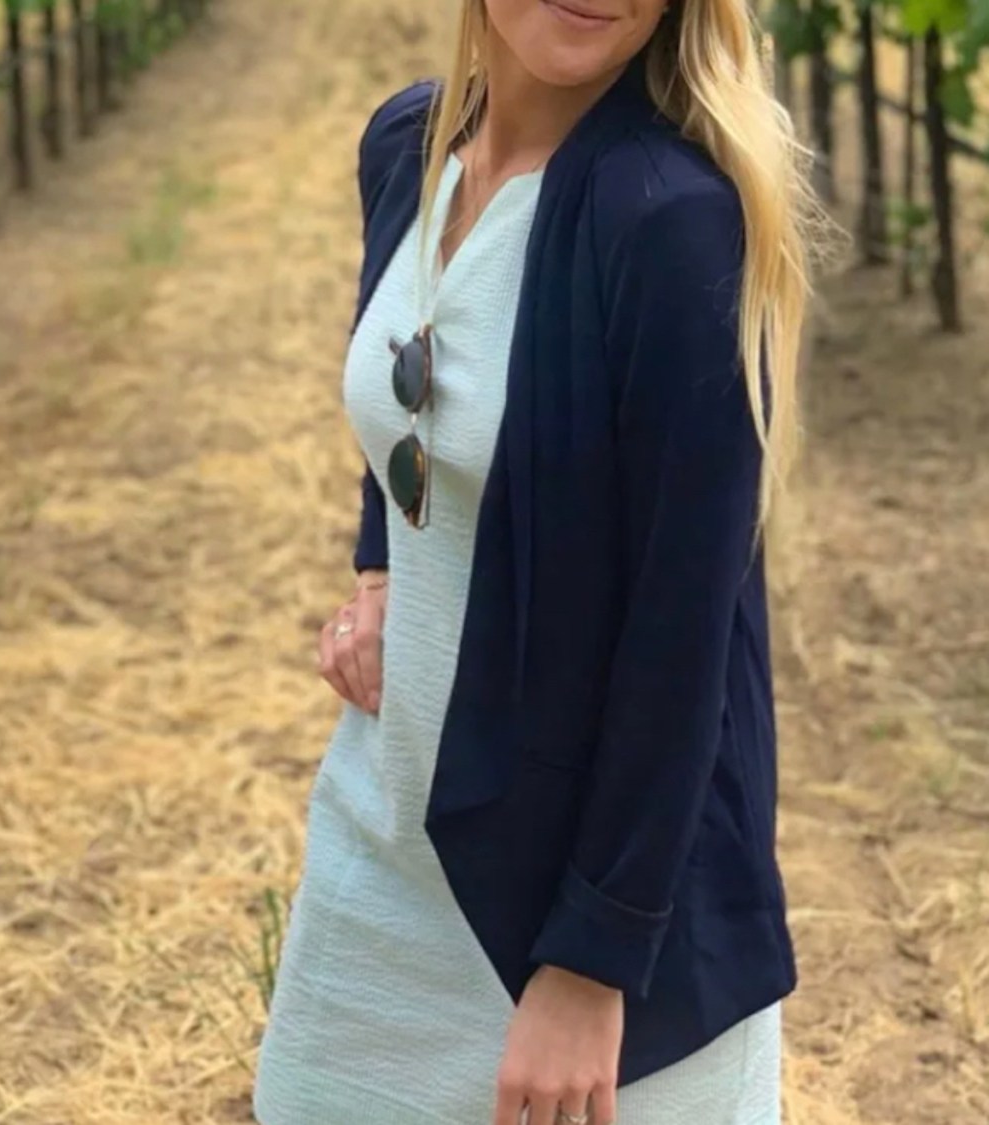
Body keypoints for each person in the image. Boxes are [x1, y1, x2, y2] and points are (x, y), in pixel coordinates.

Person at [253, 1, 830, 1123]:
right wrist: (381, 570)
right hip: (389, 833)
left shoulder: (669, 222)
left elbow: (682, 634)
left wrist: (593, 961)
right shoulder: (408, 147)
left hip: (578, 886)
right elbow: (408, 378)